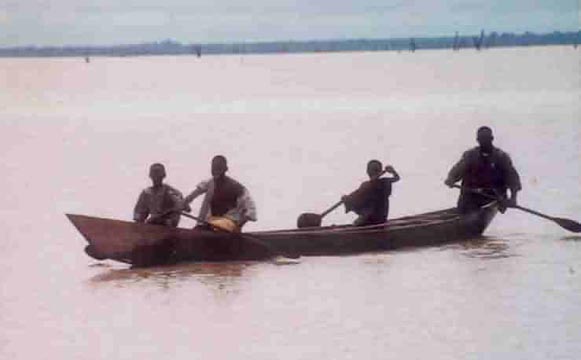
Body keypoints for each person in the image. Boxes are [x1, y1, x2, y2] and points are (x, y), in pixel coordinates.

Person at [444, 126, 522, 213]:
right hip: (470, 197)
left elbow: (513, 179)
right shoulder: (470, 155)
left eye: (486, 138)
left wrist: (513, 198)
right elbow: (458, 169)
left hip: (492, 198)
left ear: (492, 139)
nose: (483, 141)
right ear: (477, 140)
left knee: (485, 208)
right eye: (481, 139)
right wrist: (451, 179)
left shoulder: (501, 157)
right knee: (466, 208)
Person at [182, 155, 257, 232]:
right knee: (198, 231)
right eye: (214, 169)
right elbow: (192, 196)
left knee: (214, 226)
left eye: (219, 169)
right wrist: (183, 204)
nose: (216, 172)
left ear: (225, 169)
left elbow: (251, 210)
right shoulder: (208, 183)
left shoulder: (237, 188)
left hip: (228, 223)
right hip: (208, 223)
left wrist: (239, 225)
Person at [342, 160, 400, 226]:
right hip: (381, 217)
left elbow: (356, 199)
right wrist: (347, 199)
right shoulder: (372, 184)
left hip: (372, 217)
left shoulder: (379, 183)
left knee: (357, 222)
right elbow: (396, 178)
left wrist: (347, 199)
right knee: (358, 220)